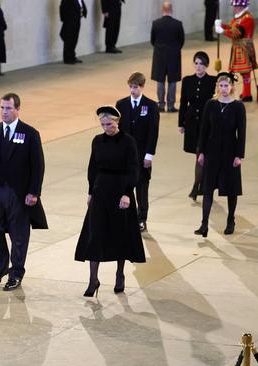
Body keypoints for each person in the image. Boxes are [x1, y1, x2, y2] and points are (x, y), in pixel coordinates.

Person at [0, 93, 47, 291]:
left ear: (17, 109)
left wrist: (34, 192)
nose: (4, 112)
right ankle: (0, 269)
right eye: (1, 108)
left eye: (8, 108)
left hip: (19, 194)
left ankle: (16, 273)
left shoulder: (29, 133)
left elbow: (38, 166)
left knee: (18, 235)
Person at [74, 105, 145, 297]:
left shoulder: (128, 142)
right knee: (95, 234)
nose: (106, 128)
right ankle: (93, 280)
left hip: (121, 191)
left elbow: (134, 169)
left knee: (119, 234)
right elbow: (92, 167)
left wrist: (127, 193)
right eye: (103, 124)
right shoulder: (97, 141)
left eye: (110, 124)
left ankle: (119, 274)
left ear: (117, 121)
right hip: (101, 190)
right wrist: (90, 191)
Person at [195, 72, 246, 237]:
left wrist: (239, 155)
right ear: (217, 86)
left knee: (231, 189)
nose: (223, 89)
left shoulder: (238, 106)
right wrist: (201, 151)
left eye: (226, 85)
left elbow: (242, 133)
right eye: (221, 85)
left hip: (230, 151)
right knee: (208, 188)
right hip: (212, 150)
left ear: (231, 87)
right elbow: (203, 129)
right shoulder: (210, 104)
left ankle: (231, 219)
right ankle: (204, 224)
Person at [115, 72, 160, 232]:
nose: (132, 90)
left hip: (142, 154)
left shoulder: (151, 105)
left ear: (142, 87)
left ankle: (142, 218)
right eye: (131, 87)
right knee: (125, 187)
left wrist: (149, 155)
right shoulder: (121, 104)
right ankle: (128, 216)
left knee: (142, 188)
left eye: (135, 87)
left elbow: (153, 132)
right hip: (126, 155)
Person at [179, 51, 218, 201]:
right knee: (199, 155)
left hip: (207, 122)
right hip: (192, 122)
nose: (198, 66)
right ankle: (200, 186)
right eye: (196, 63)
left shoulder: (212, 81)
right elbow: (183, 103)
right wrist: (181, 123)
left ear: (206, 65)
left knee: (202, 156)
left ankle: (197, 186)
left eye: (201, 63)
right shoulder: (187, 80)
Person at [215, 0, 258, 102]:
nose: (234, 8)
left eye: (236, 6)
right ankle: (244, 93)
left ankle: (247, 94)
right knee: (241, 72)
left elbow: (237, 33)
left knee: (245, 72)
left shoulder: (247, 18)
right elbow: (233, 27)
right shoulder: (239, 17)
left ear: (241, 6)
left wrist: (222, 31)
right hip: (238, 47)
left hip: (244, 47)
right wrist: (222, 25)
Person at [150, 1, 185, 113]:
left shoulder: (156, 23)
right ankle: (170, 105)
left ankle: (160, 104)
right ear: (171, 10)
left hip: (159, 55)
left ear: (162, 10)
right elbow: (181, 40)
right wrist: (175, 49)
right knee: (172, 81)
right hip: (173, 55)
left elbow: (152, 40)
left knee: (160, 81)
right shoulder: (177, 24)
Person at [60, 0, 87, 64]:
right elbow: (62, 7)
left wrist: (83, 12)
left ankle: (72, 56)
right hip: (70, 20)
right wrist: (65, 19)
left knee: (74, 39)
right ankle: (67, 58)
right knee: (69, 39)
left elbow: (81, 5)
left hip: (77, 20)